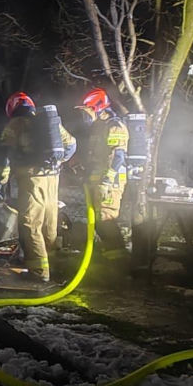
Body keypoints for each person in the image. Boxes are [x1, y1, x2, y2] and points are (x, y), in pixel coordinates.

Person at [0, 92, 77, 283]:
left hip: (32, 180)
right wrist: (56, 163)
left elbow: (5, 155)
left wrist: (0, 179)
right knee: (50, 222)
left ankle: (39, 274)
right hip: (52, 179)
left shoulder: (14, 125)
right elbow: (72, 145)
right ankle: (55, 266)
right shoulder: (50, 123)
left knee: (30, 224)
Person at [75, 87, 130, 258]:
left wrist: (107, 180)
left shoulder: (115, 126)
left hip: (110, 180)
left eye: (87, 111)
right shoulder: (98, 127)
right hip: (97, 178)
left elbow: (118, 155)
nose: (84, 116)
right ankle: (111, 255)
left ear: (97, 108)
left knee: (106, 218)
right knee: (97, 219)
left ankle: (118, 262)